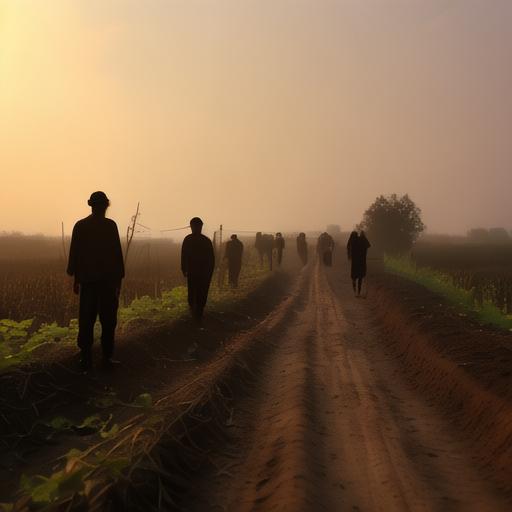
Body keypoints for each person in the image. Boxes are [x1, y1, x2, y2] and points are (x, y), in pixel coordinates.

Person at [67, 191, 125, 371]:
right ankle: (104, 359)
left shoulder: (81, 226)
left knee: (87, 319)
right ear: (105, 205)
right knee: (107, 321)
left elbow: (74, 255)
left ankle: (86, 359)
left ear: (91, 205)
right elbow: (117, 256)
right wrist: (118, 282)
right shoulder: (109, 226)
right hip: (105, 283)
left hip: (90, 283)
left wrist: (76, 279)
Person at [181, 217, 215, 322]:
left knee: (194, 292)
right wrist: (209, 272)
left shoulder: (188, 239)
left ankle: (195, 314)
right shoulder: (206, 241)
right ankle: (197, 314)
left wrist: (183, 269)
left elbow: (183, 256)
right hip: (201, 273)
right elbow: (211, 259)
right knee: (200, 292)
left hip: (195, 272)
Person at [347, 230, 371, 296]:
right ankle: (358, 292)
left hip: (355, 262)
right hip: (362, 262)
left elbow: (348, 246)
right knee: (360, 277)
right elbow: (368, 245)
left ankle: (355, 292)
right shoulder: (362, 240)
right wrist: (363, 236)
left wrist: (349, 256)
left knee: (354, 277)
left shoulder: (353, 241)